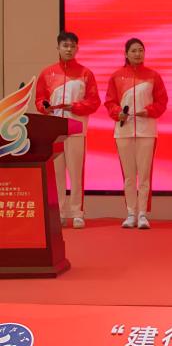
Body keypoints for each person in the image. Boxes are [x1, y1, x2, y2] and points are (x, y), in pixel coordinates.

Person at [35, 31, 100, 229]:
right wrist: (44, 107)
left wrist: (76, 107)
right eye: (65, 46)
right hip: (54, 130)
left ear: (77, 48)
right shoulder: (47, 73)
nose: (69, 49)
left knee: (76, 171)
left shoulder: (85, 73)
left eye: (72, 46)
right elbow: (39, 99)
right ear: (58, 48)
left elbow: (94, 101)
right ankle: (60, 212)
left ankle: (77, 213)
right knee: (56, 173)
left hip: (76, 128)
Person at [104, 38, 168, 230]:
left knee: (145, 175)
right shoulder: (116, 76)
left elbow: (162, 102)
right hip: (123, 131)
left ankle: (142, 215)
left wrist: (148, 111)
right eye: (133, 50)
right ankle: (131, 213)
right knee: (129, 176)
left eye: (141, 50)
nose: (138, 54)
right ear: (126, 54)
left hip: (146, 130)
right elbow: (110, 102)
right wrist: (118, 113)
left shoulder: (153, 76)